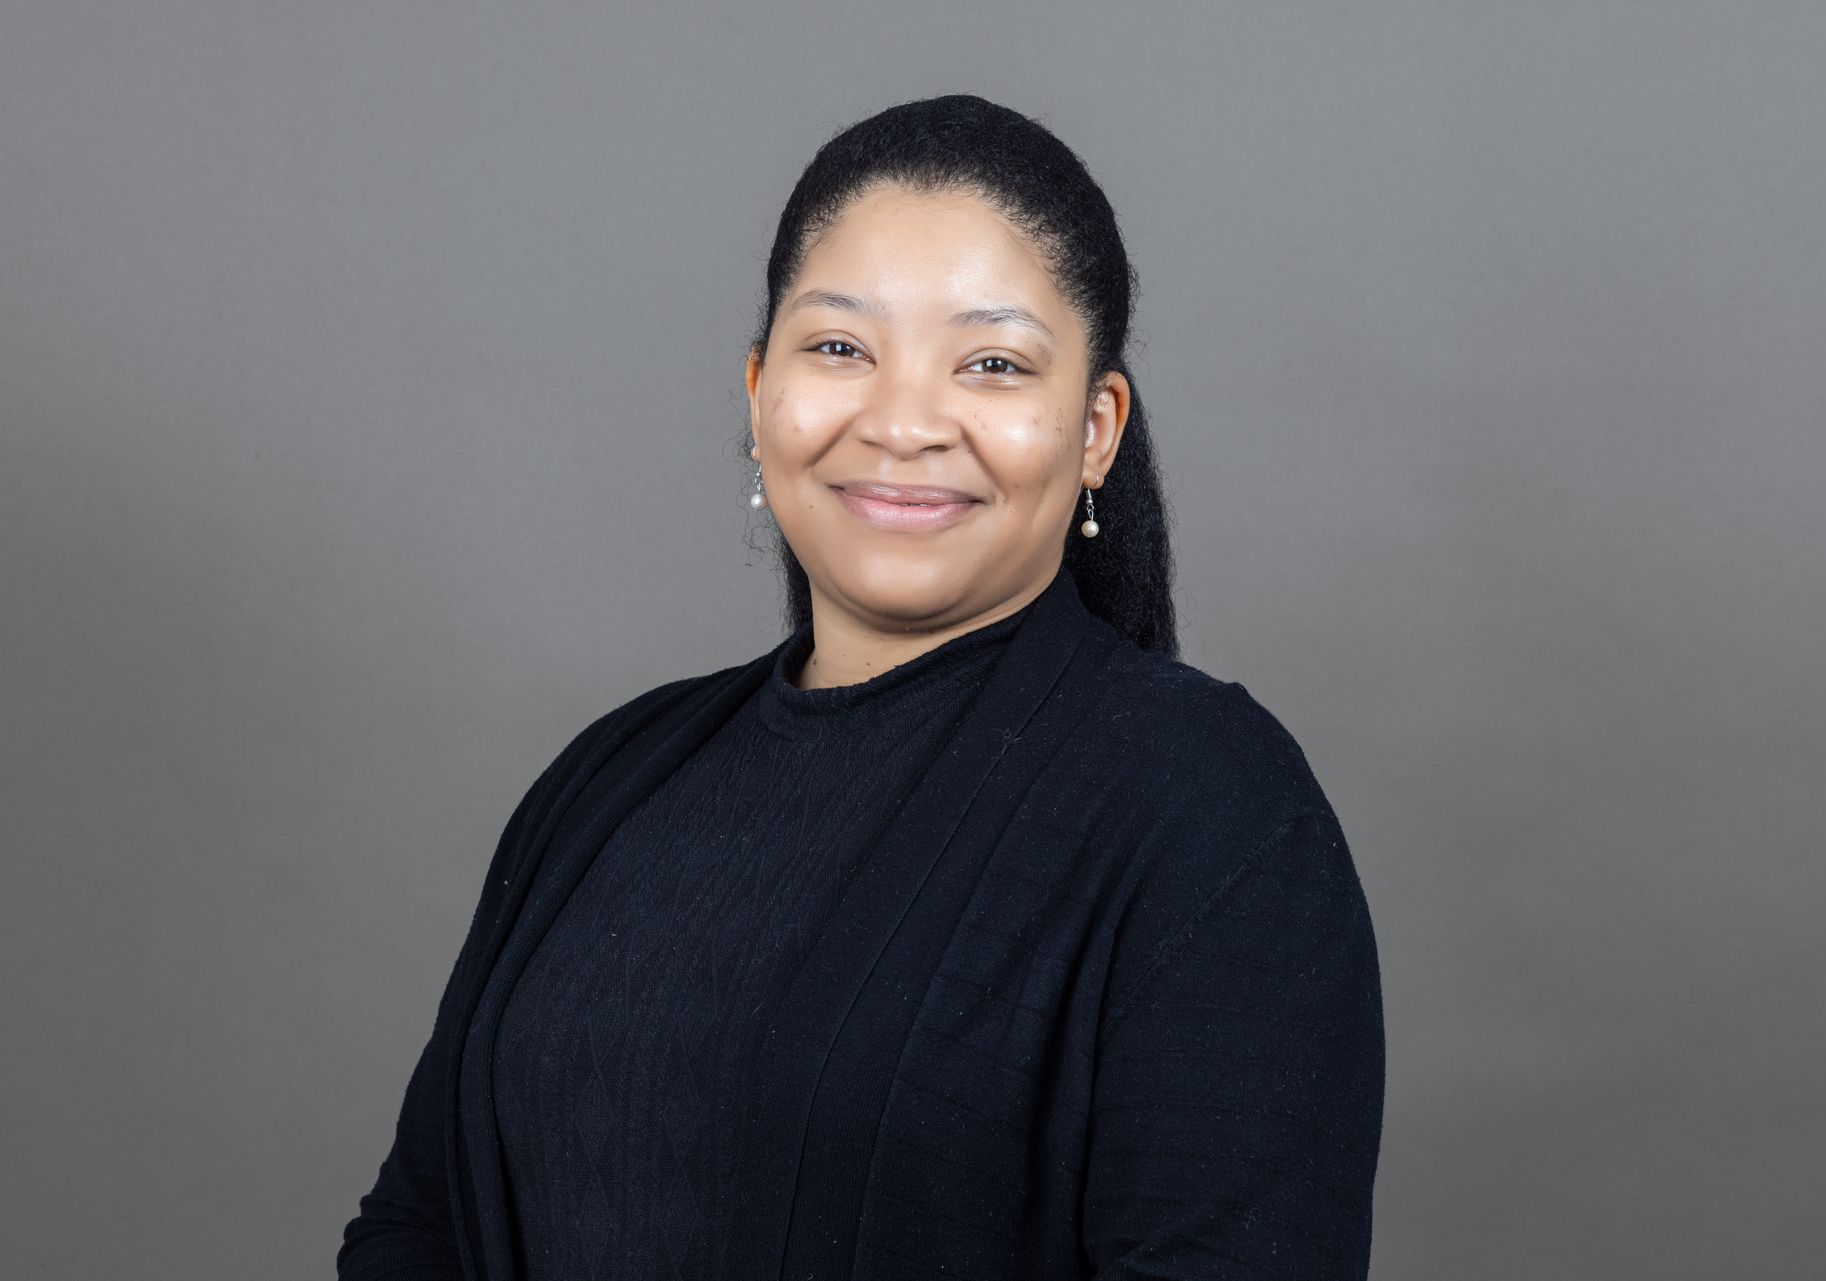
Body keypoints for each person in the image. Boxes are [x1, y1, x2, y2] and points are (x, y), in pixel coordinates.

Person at [338, 92, 1385, 1281]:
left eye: (991, 364)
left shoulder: (1209, 806)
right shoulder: (608, 782)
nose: (902, 422)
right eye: (839, 347)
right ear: (757, 392)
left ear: (1094, 430)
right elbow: (415, 1224)